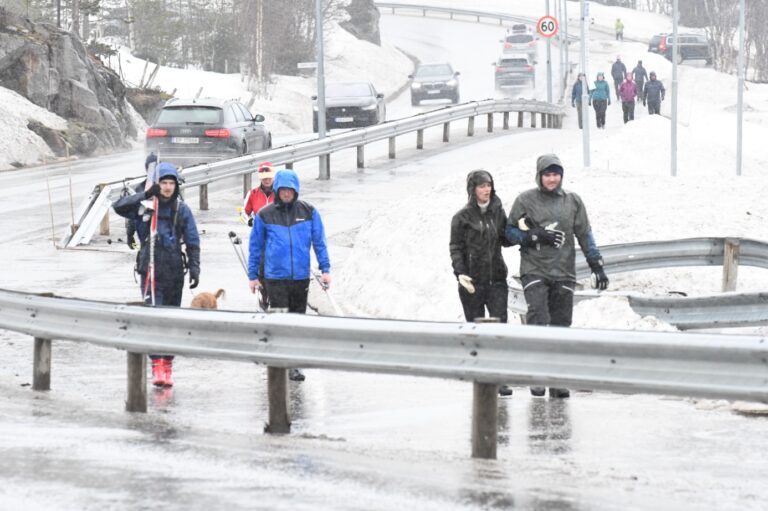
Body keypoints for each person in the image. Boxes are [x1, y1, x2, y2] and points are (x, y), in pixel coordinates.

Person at [505, 154, 609, 399]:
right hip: (535, 270)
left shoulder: (572, 201)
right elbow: (508, 233)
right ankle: (538, 376)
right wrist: (534, 236)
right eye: (547, 174)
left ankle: (558, 379)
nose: (552, 179)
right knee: (538, 319)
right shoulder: (525, 200)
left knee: (561, 325)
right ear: (539, 175)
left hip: (563, 271)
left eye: (556, 174)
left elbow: (585, 234)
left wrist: (597, 265)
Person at [113, 162, 201, 388]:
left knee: (171, 321)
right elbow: (118, 207)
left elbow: (192, 241)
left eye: (172, 183)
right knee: (153, 320)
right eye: (164, 182)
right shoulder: (145, 206)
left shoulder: (182, 209)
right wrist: (144, 194)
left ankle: (168, 364)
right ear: (157, 184)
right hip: (150, 270)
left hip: (173, 271)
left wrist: (194, 268)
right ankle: (156, 365)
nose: (168, 187)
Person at [247, 169, 331, 382]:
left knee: (298, 321)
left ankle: (294, 364)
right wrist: (253, 275)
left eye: (289, 190)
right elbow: (255, 246)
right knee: (279, 319)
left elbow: (319, 242)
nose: (286, 194)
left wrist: (326, 269)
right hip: (275, 278)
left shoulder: (309, 212)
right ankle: (278, 361)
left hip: (300, 277)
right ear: (277, 190)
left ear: (295, 191)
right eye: (282, 190)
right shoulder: (265, 214)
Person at [449, 170, 513, 397]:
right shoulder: (461, 218)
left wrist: (519, 228)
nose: (486, 189)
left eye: (489, 185)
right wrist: (460, 273)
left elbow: (505, 239)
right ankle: (482, 376)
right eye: (482, 185)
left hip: (496, 279)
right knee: (476, 330)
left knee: (499, 329)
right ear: (472, 189)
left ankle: (500, 377)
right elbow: (455, 247)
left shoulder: (498, 211)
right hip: (472, 283)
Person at [240, 161, 276, 226]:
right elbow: (243, 213)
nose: (267, 180)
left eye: (269, 177)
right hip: (259, 233)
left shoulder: (281, 193)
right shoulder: (252, 194)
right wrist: (250, 221)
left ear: (273, 176)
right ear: (260, 178)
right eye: (264, 178)